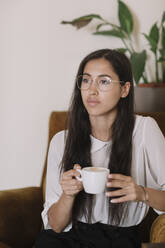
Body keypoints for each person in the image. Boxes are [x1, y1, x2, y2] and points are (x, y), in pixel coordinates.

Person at [35, 49, 165, 248]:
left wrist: (142, 193)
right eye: (86, 80)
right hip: (66, 240)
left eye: (103, 81)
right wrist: (67, 195)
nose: (92, 90)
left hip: (120, 239)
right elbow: (56, 225)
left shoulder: (144, 130)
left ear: (125, 89)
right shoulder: (62, 141)